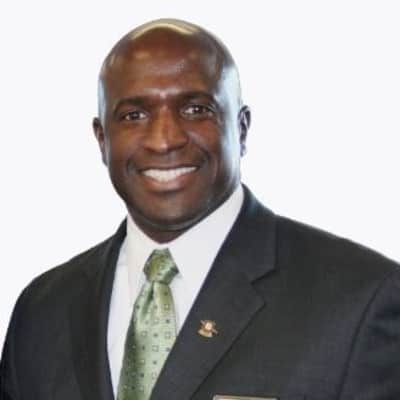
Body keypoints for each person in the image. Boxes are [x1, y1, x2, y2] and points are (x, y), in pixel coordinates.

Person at [1, 18, 399, 400]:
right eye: (134, 115)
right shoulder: (42, 312)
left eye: (195, 110)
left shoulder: (361, 301)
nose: (164, 140)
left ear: (241, 128)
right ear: (102, 140)